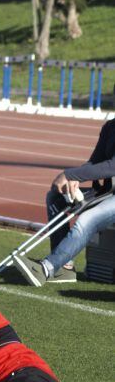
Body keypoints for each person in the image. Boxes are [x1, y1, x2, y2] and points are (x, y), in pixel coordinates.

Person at [14, 118, 115, 286]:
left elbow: (112, 167)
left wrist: (71, 175)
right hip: (109, 192)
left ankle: (46, 268)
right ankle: (63, 268)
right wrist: (75, 180)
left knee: (86, 219)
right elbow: (95, 161)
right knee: (56, 196)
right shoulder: (110, 126)